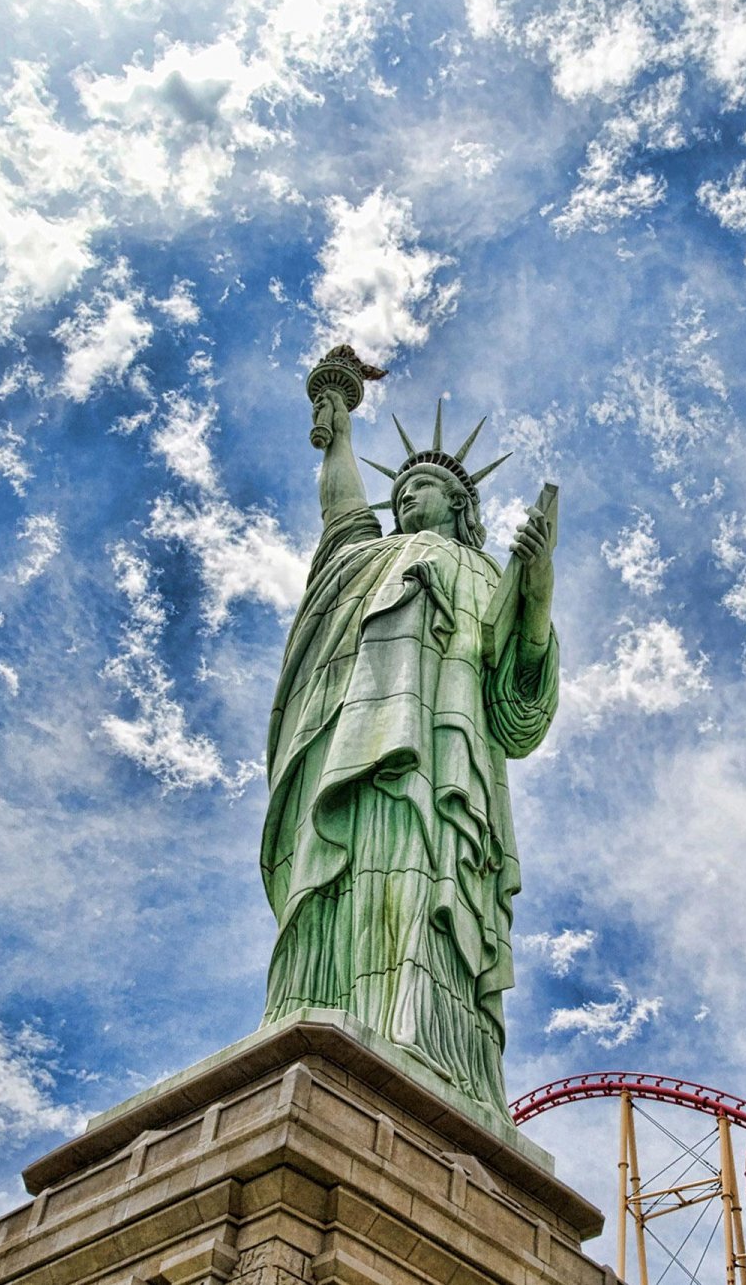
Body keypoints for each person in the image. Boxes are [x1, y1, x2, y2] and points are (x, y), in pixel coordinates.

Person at [260, 388, 558, 1111]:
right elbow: (342, 511)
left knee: (425, 888)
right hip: (346, 747)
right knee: (339, 883)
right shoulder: (367, 556)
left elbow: (517, 708)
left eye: (418, 488)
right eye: (398, 492)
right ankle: (314, 1013)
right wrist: (338, 432)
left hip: (441, 760)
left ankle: (427, 1037)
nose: (404, 500)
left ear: (458, 502)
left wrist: (537, 594)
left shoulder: (484, 573)